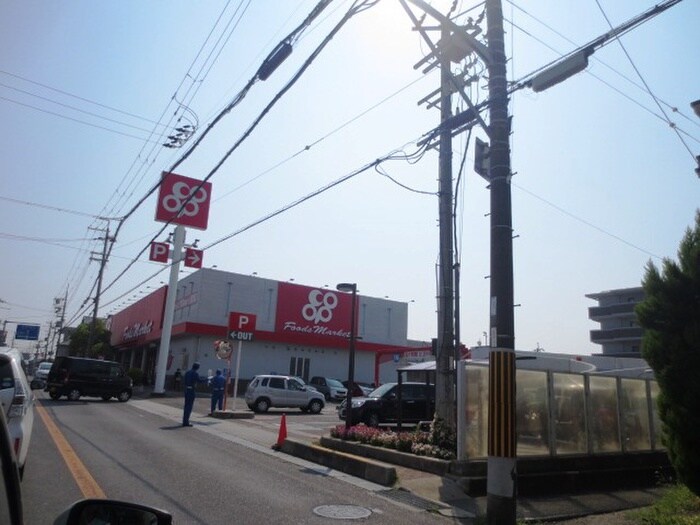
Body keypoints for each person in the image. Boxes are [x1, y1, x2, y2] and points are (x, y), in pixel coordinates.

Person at [182, 362, 202, 427]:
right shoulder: (195, 373)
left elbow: (184, 381)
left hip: (187, 390)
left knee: (186, 406)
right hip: (191, 391)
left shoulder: (187, 372)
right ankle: (186, 422)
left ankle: (184, 420)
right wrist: (207, 379)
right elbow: (199, 381)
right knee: (189, 407)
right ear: (197, 367)